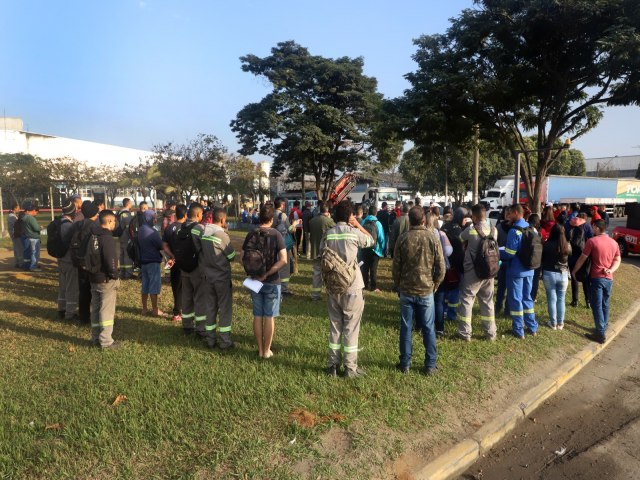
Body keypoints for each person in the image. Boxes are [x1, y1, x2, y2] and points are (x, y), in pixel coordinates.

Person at [321, 200, 373, 378]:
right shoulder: (354, 234)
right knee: (351, 327)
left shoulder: (328, 234)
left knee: (335, 326)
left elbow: (322, 254)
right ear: (350, 216)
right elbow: (371, 241)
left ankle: (332, 366)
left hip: (333, 286)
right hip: (352, 286)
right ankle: (350, 368)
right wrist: (358, 224)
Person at [393, 206, 445, 374]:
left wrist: (399, 284)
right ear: (423, 219)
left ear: (410, 220)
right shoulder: (432, 238)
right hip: (426, 290)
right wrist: (435, 284)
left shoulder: (402, 238)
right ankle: (430, 365)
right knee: (429, 328)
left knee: (406, 327)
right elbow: (441, 267)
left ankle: (405, 363)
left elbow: (396, 267)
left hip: (407, 290)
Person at [243, 204, 287, 359]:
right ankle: (267, 351)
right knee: (269, 316)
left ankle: (260, 349)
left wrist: (256, 273)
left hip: (254, 280)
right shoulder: (276, 235)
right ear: (272, 219)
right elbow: (283, 260)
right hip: (272, 281)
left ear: (259, 217)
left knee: (257, 315)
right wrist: (267, 273)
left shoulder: (251, 234)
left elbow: (244, 257)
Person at [572, 220, 621, 344]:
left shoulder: (592, 241)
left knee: (597, 305)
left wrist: (574, 271)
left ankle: (600, 333)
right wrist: (610, 270)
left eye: (593, 226)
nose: (592, 228)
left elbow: (582, 258)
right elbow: (618, 260)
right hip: (609, 278)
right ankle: (603, 327)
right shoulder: (614, 243)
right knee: (605, 304)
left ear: (598, 228)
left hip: (597, 277)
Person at [456, 204, 499, 341]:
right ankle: (491, 333)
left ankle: (465, 333)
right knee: (487, 302)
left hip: (472, 272)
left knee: (467, 300)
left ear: (474, 217)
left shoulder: (471, 229)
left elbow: (461, 239)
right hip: (489, 271)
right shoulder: (494, 230)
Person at [196, 207, 237, 350]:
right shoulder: (221, 235)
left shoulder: (204, 233)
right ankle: (225, 341)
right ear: (223, 220)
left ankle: (210, 339)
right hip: (221, 278)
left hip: (207, 276)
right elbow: (231, 256)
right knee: (224, 309)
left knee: (210, 307)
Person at [500, 204, 537, 339]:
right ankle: (532, 327)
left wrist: (498, 251)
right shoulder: (533, 229)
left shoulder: (514, 231)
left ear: (516, 213)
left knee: (516, 299)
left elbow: (509, 253)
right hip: (530, 270)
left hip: (516, 271)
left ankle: (518, 330)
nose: (507, 217)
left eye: (509, 214)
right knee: (527, 298)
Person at [89, 210, 121, 349]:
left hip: (93, 277)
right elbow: (111, 260)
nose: (115, 223)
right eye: (113, 221)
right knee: (106, 310)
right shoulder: (107, 238)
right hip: (106, 279)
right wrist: (114, 274)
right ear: (108, 221)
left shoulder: (93, 235)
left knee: (95, 308)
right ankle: (106, 341)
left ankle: (95, 337)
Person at [180, 204, 206, 335]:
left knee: (186, 296)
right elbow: (205, 247)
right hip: (197, 268)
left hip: (184, 268)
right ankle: (201, 328)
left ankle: (187, 325)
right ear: (197, 215)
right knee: (200, 297)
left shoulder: (182, 227)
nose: (202, 217)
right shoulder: (199, 229)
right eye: (201, 214)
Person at [426, 211, 452, 337]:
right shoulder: (441, 234)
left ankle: (424, 325)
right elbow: (449, 251)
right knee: (439, 301)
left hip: (426, 270)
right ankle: (440, 328)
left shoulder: (423, 234)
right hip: (439, 269)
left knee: (425, 299)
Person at [541, 223, 571, 330]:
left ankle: (553, 323)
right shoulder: (567, 245)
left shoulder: (546, 245)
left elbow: (542, 259)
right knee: (561, 299)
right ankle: (560, 323)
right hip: (563, 274)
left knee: (552, 299)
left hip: (549, 274)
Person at [162, 203, 187, 322]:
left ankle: (177, 312)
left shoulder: (169, 228)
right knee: (187, 287)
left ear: (175, 214)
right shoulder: (189, 228)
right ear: (185, 214)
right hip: (187, 263)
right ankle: (185, 312)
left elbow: (164, 245)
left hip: (174, 262)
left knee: (176, 287)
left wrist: (172, 255)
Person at [137, 210, 165, 317]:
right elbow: (161, 245)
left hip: (144, 262)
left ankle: (144, 309)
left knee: (145, 285)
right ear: (148, 218)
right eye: (154, 218)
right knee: (154, 286)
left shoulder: (141, 229)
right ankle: (155, 310)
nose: (155, 220)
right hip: (153, 261)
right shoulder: (152, 232)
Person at [76, 201, 100, 324]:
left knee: (83, 290)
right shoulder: (94, 227)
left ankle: (83, 317)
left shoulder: (77, 224)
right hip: (91, 263)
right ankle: (95, 317)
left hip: (79, 261)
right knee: (95, 291)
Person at [56, 202, 79, 321]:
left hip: (60, 258)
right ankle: (70, 313)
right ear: (72, 212)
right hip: (69, 260)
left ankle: (61, 309)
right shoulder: (69, 226)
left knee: (63, 286)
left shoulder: (58, 222)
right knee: (72, 288)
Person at [309, 204, 335, 300]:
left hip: (315, 251)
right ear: (327, 211)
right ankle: (330, 295)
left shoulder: (312, 221)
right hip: (326, 250)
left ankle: (315, 295)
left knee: (316, 274)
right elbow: (336, 229)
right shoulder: (329, 220)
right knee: (329, 272)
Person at [273, 197, 299, 296]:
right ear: (282, 205)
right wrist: (295, 224)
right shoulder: (282, 215)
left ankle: (275, 284)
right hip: (283, 244)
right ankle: (284, 289)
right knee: (285, 266)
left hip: (272, 243)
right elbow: (290, 229)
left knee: (275, 263)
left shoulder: (271, 214)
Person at [568, 215, 593, 308]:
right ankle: (588, 301)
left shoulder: (569, 225)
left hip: (572, 256)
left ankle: (575, 300)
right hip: (583, 256)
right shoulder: (586, 226)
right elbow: (591, 238)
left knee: (574, 279)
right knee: (585, 279)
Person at [360, 205, 385, 292]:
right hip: (375, 250)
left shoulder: (363, 222)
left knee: (365, 268)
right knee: (373, 269)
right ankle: (373, 287)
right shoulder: (378, 223)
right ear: (376, 213)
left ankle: (365, 285)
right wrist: (382, 249)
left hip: (365, 248)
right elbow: (381, 238)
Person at [495, 207, 511, 316]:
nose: (507, 215)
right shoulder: (499, 227)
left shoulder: (515, 228)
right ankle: (498, 306)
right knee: (501, 286)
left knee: (509, 287)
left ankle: (506, 308)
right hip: (502, 261)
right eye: (506, 213)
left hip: (510, 261)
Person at [116, 198, 135, 279]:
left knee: (122, 255)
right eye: (130, 203)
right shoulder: (126, 214)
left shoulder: (119, 212)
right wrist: (132, 237)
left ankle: (122, 271)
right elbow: (129, 227)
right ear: (128, 203)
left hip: (120, 237)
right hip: (126, 237)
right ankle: (128, 273)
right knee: (127, 255)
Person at [22, 202, 41, 271]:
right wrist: (40, 227)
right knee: (35, 253)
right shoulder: (31, 218)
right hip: (34, 238)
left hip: (27, 237)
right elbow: (36, 228)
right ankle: (33, 266)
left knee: (28, 253)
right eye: (36, 212)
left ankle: (28, 266)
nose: (36, 214)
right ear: (33, 210)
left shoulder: (24, 217)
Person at [527, 213, 542, 302]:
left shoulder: (527, 231)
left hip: (529, 258)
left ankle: (529, 295)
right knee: (535, 279)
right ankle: (533, 296)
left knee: (530, 279)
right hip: (538, 258)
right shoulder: (539, 232)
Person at [7, 202, 23, 268]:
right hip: (15, 234)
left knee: (16, 248)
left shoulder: (12, 215)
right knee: (19, 249)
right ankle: (20, 264)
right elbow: (16, 225)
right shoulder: (12, 216)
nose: (19, 209)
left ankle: (17, 263)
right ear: (15, 208)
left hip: (14, 234)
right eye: (18, 208)